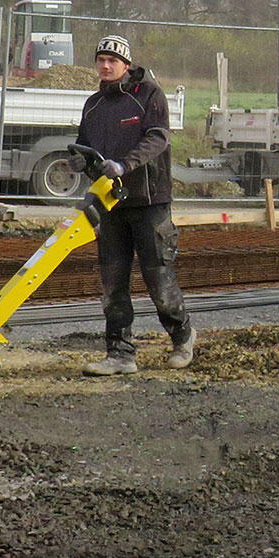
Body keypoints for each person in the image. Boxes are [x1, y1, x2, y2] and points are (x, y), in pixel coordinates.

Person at [75, 34, 197, 376]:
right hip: (111, 204)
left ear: (127, 64)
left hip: (149, 200)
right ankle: (120, 354)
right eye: (101, 59)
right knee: (112, 281)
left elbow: (158, 137)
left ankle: (182, 335)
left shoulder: (149, 95)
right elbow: (86, 147)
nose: (106, 65)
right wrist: (81, 163)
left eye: (113, 60)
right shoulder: (93, 105)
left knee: (157, 275)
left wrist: (125, 165)